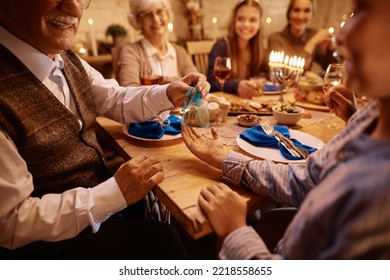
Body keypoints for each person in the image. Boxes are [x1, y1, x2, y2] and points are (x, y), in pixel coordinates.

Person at [0, 0, 210, 259]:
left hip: (96, 195)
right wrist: (113, 194)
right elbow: (10, 222)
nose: (76, 9)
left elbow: (116, 98)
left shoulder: (65, 58)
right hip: (47, 244)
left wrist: (167, 93)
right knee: (164, 239)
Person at [181, 0, 390, 259]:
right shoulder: (370, 117)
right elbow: (307, 178)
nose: (340, 35)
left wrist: (236, 231)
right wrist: (224, 158)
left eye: (362, 12)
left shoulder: (380, 191)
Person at [118, 0, 198, 86]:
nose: (156, 20)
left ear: (167, 15)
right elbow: (129, 91)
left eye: (160, 12)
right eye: (147, 14)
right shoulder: (131, 52)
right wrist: (168, 83)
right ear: (138, 21)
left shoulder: (180, 51)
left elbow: (196, 82)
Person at [207, 0, 267, 99]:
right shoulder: (221, 46)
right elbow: (211, 83)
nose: (246, 24)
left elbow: (266, 74)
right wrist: (236, 86)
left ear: (260, 23)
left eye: (252, 20)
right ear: (234, 21)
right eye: (241, 19)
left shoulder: (259, 49)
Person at [267, 0, 338, 72]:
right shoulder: (276, 39)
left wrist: (330, 49)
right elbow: (286, 72)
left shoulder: (313, 35)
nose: (301, 16)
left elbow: (331, 69)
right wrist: (312, 43)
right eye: (296, 10)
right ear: (289, 13)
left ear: (312, 14)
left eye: (307, 11)